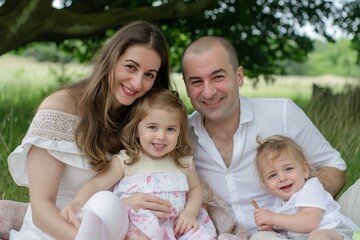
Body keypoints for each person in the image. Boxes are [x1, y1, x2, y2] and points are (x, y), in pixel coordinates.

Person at [3, 20, 172, 240]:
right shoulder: (61, 107)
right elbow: (41, 211)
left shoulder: (144, 122)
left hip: (119, 227)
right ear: (111, 60)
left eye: (149, 74)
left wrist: (121, 208)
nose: (137, 83)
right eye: (130, 67)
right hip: (57, 230)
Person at [180, 36, 348, 237]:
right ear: (187, 87)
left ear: (239, 76)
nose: (208, 92)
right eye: (196, 81)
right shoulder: (180, 136)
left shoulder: (282, 113)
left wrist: (302, 201)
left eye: (218, 77)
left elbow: (334, 167)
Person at [61, 88, 217, 239]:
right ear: (136, 130)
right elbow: (96, 185)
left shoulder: (183, 162)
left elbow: (195, 189)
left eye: (170, 129)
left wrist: (189, 212)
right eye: (152, 127)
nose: (161, 136)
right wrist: (77, 203)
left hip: (177, 226)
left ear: (179, 132)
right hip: (139, 226)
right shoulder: (127, 160)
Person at [252, 135, 358, 240]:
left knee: (318, 236)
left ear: (305, 170)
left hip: (335, 232)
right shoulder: (278, 206)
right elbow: (285, 226)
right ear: (266, 185)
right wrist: (270, 226)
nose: (282, 178)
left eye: (288, 169)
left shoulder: (311, 188)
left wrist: (273, 218)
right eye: (273, 175)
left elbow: (310, 223)